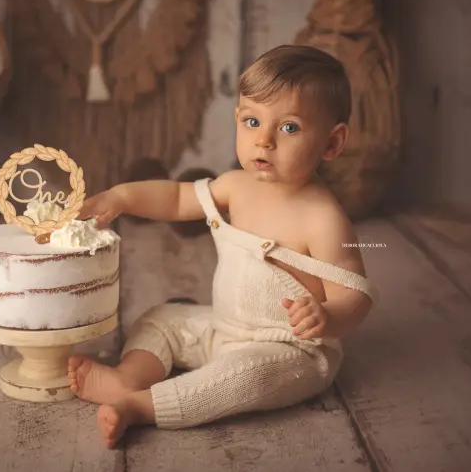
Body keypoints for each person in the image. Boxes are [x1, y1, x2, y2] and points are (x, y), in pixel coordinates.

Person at [68, 44, 379, 448]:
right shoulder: (235, 186)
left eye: (289, 128)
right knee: (163, 317)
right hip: (222, 328)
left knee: (244, 376)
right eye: (252, 121)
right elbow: (177, 199)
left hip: (290, 351)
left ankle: (139, 406)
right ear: (237, 119)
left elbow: (355, 295)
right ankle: (129, 375)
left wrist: (328, 317)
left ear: (332, 143)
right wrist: (123, 197)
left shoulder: (322, 218)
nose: (263, 141)